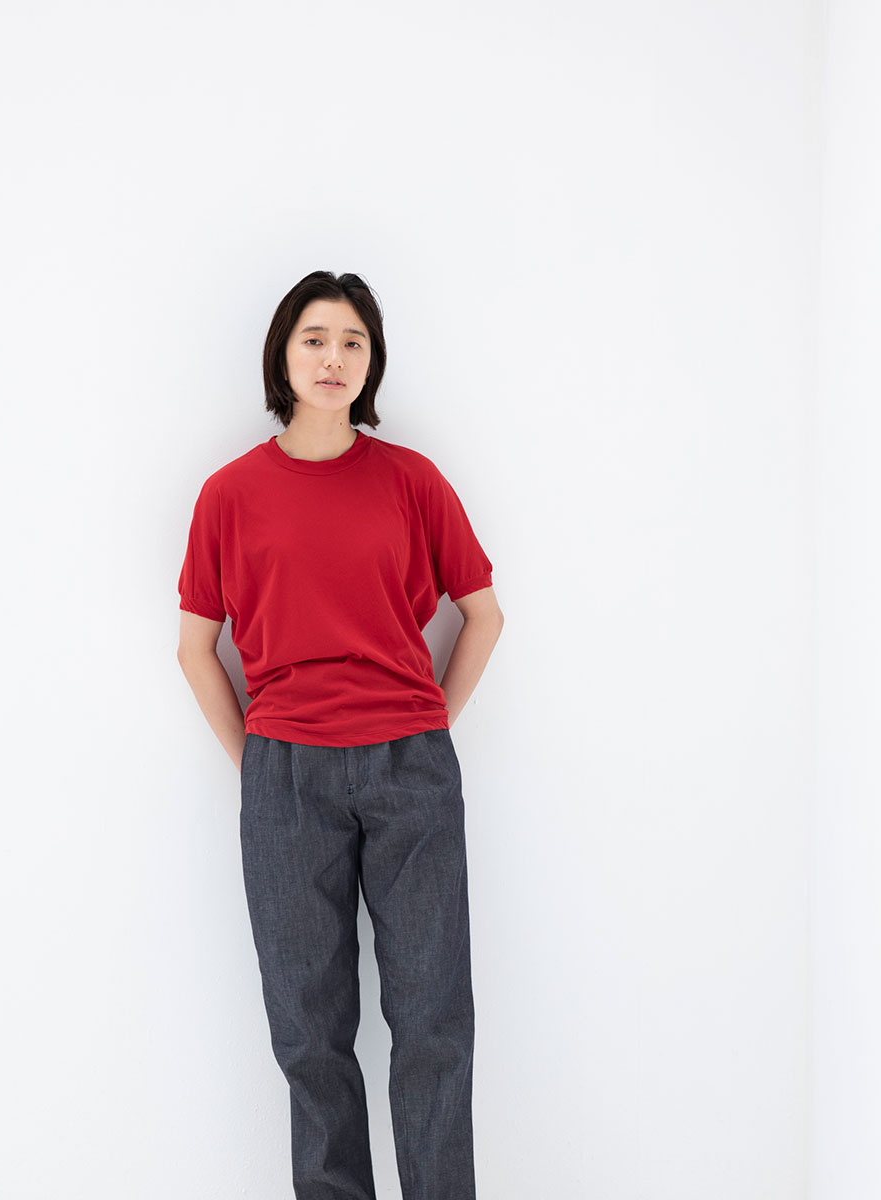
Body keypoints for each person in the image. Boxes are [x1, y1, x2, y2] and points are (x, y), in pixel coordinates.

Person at [176, 270, 503, 1199]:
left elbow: (484, 615)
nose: (334, 358)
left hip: (410, 770)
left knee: (433, 1021)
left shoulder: (412, 481)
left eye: (353, 342)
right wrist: (257, 761)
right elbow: (196, 648)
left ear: (373, 361)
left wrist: (426, 723)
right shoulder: (230, 494)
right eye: (315, 339)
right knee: (308, 1031)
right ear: (282, 355)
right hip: (286, 776)